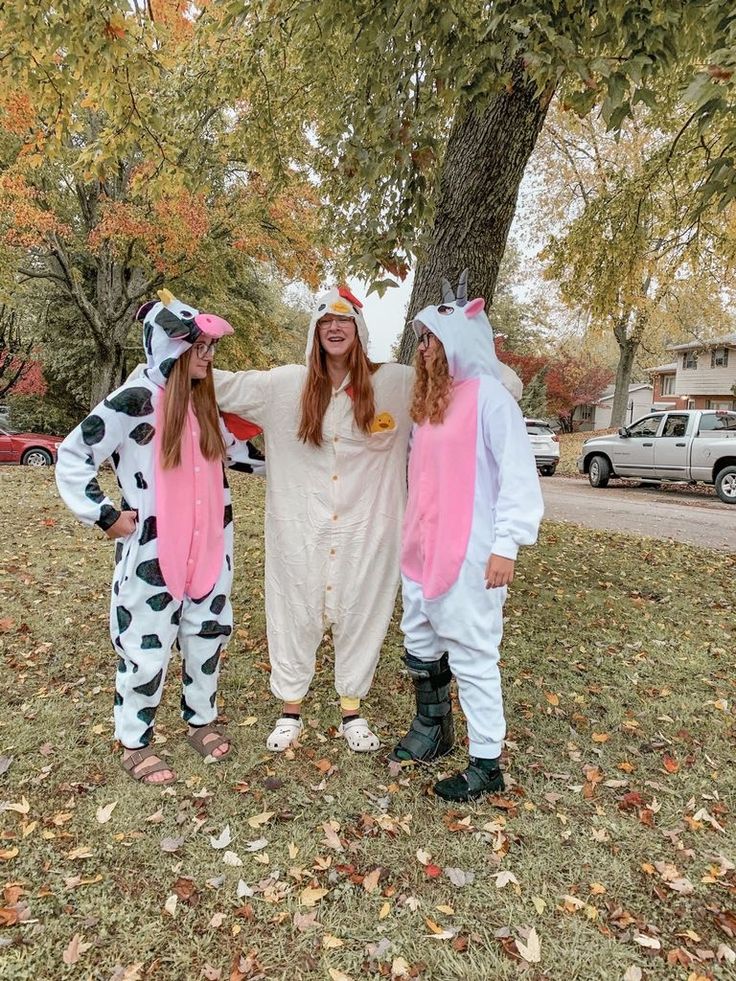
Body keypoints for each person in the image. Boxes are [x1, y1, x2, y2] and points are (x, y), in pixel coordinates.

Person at [55, 290, 265, 785]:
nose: (210, 356)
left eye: (212, 348)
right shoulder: (135, 400)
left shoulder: (203, 405)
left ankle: (201, 719)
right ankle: (134, 739)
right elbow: (74, 452)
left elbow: (248, 456)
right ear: (172, 347)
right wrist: (105, 514)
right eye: (201, 347)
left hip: (211, 549)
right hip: (154, 550)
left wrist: (314, 461)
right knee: (146, 645)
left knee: (207, 635)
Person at [213, 285, 415, 752]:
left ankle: (352, 712)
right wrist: (167, 355)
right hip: (299, 528)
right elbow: (217, 382)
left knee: (363, 611)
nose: (335, 328)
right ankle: (290, 711)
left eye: (344, 321)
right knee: (292, 608)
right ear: (315, 331)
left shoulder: (396, 384)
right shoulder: (284, 385)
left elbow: (458, 383)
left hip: (370, 530)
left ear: (359, 331)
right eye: (325, 321)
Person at [390, 272, 544, 802]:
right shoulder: (430, 405)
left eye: (430, 338)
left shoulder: (491, 400)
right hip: (422, 549)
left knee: (474, 654)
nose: (423, 348)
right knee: (422, 641)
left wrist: (508, 544)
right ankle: (433, 729)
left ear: (455, 341)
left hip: (472, 553)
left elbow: (518, 476)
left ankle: (486, 761)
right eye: (421, 340)